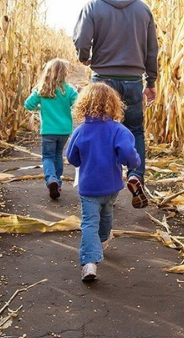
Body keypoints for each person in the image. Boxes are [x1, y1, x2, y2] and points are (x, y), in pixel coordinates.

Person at [72, 0, 158, 208]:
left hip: (102, 79)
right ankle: (135, 175)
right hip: (133, 80)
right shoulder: (143, 9)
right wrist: (151, 81)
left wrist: (84, 57)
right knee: (134, 130)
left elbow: (81, 39)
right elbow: (152, 49)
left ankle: (99, 188)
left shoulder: (93, 5)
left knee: (97, 130)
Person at [66, 83, 141, 282]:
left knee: (90, 221)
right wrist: (134, 164)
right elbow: (129, 155)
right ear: (114, 104)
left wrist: (84, 159)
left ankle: (90, 262)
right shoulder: (119, 130)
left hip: (89, 186)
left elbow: (72, 158)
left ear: (84, 105)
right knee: (107, 213)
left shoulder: (81, 131)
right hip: (112, 185)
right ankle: (100, 242)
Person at [24, 59, 78, 199]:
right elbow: (78, 104)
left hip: (48, 130)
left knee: (48, 157)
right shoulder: (69, 90)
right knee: (58, 155)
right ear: (64, 73)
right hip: (64, 130)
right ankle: (58, 182)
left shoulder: (41, 90)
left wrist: (40, 107)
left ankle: (51, 179)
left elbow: (28, 105)